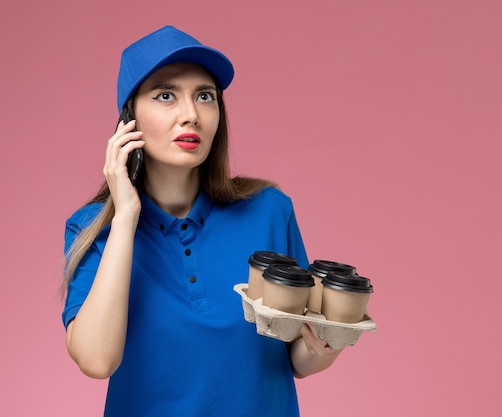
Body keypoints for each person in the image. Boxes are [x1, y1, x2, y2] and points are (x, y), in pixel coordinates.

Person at [61, 25, 342, 416]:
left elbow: (296, 355)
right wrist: (125, 216)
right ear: (129, 118)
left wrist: (324, 346)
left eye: (205, 97)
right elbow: (96, 361)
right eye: (165, 96)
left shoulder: (269, 210)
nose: (190, 115)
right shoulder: (92, 228)